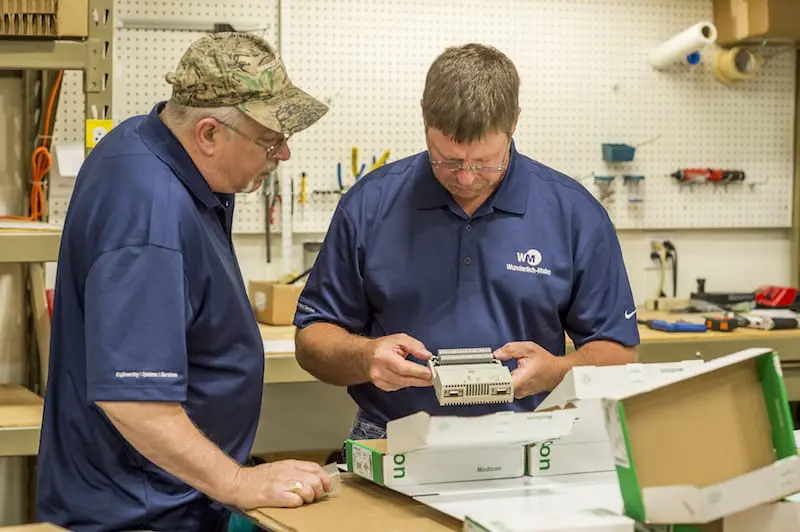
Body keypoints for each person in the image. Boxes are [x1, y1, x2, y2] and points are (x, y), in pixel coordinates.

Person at [36, 32, 333, 532]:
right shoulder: (148, 213)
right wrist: (239, 484)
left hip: (161, 495)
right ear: (209, 133)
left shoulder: (153, 146)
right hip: (139, 511)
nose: (281, 155)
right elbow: (133, 400)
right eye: (269, 139)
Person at [293, 43, 640, 441]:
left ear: (515, 121)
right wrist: (366, 357)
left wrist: (556, 372)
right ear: (424, 114)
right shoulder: (369, 205)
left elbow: (619, 353)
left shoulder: (574, 213)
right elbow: (312, 339)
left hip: (531, 437)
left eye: (485, 161)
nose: (466, 178)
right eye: (448, 160)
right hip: (390, 437)